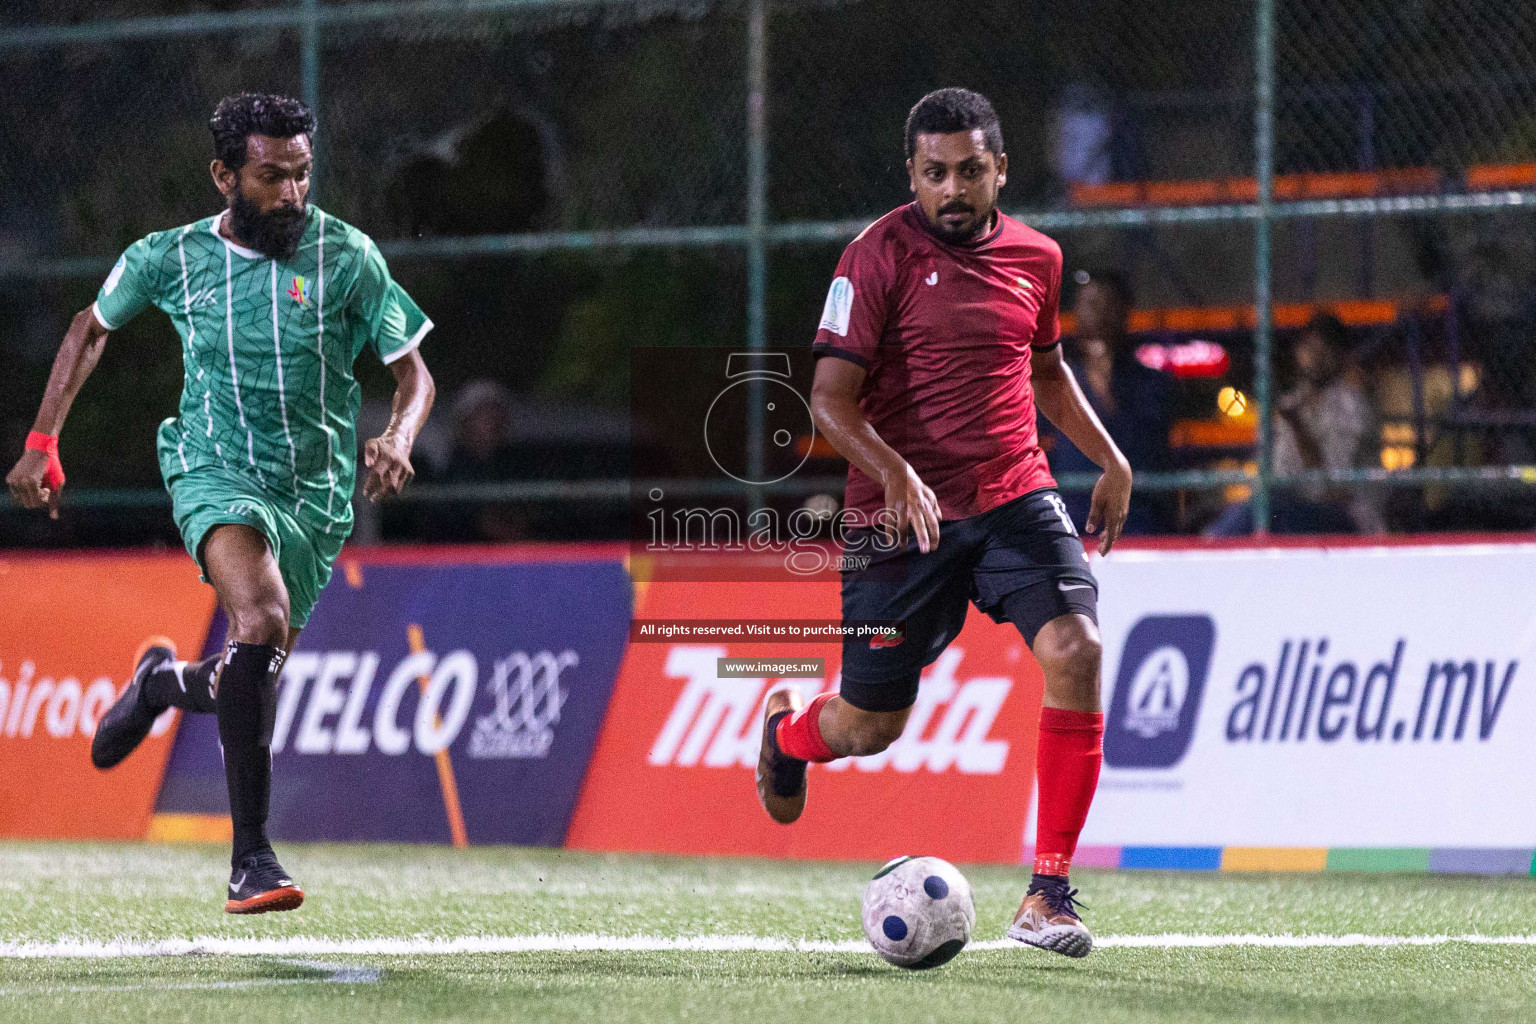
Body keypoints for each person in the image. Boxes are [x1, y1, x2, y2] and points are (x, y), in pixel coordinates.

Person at [4, 93, 436, 913]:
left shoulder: (348, 258)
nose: (291, 193)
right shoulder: (170, 258)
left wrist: (401, 437)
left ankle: (163, 684)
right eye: (271, 176)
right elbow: (90, 327)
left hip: (315, 495)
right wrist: (44, 440)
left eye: (302, 175)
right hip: (215, 470)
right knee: (261, 621)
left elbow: (412, 372)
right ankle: (252, 859)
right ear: (224, 174)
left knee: (253, 666)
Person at [754, 88, 1132, 958]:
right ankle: (786, 739)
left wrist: (1110, 460)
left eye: (970, 170)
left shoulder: (1037, 256)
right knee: (869, 726)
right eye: (935, 174)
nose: (953, 188)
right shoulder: (872, 258)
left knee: (1077, 650)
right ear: (913, 178)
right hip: (898, 518)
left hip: (1013, 495)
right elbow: (829, 402)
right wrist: (897, 474)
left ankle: (1047, 894)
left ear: (1000, 168)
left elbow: (1043, 374)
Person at [1207, 313, 1383, 535]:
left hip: (1349, 517)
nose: (1315, 357)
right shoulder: (1292, 403)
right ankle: (1208, 546)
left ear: (1340, 356)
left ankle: (1211, 545)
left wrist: (1298, 426)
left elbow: (1331, 488)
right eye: (1309, 348)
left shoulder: (1351, 404)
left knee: (1272, 510)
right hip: (1297, 509)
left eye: (1324, 350)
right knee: (1248, 509)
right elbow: (1278, 475)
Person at [1044, 268, 1173, 533]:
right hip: (1074, 514)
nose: (1098, 313)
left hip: (1136, 515)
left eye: (1107, 305)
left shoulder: (1152, 382)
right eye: (1089, 304)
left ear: (1123, 313)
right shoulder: (1056, 378)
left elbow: (1143, 440)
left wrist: (1103, 372)